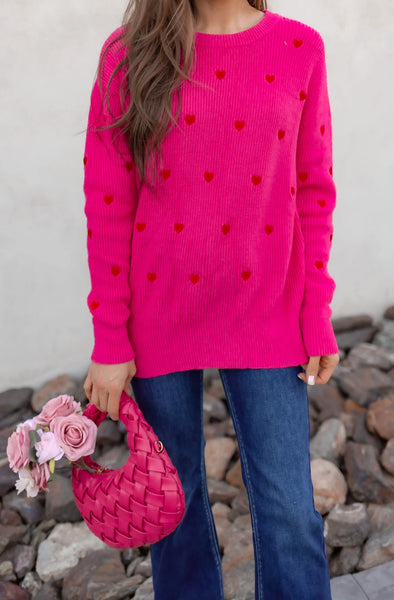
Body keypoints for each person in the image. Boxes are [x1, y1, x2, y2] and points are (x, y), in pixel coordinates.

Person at [82, 1, 340, 598]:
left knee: (289, 510)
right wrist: (109, 338)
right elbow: (108, 204)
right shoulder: (129, 55)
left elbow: (313, 191)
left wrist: (316, 312)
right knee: (175, 504)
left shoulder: (301, 48)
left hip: (269, 310)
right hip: (158, 312)